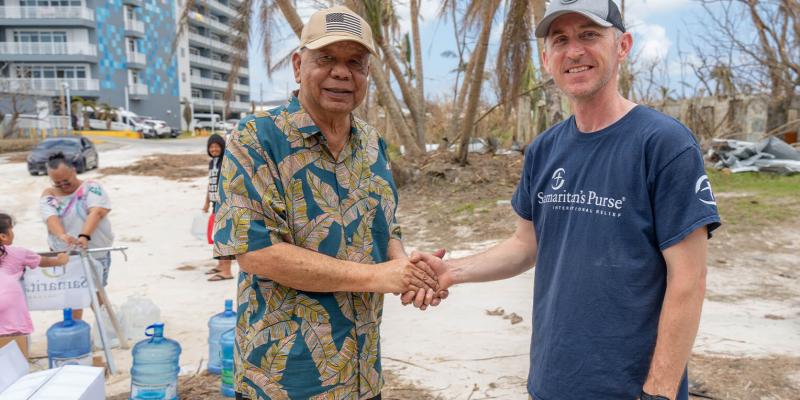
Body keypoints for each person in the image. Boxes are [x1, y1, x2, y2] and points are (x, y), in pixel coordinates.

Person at [407, 1, 722, 399]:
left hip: (630, 388)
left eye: (589, 35)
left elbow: (689, 279)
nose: (574, 51)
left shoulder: (664, 144)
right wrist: (450, 270)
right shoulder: (544, 149)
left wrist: (658, 391)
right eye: (561, 39)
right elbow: (526, 243)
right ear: (546, 58)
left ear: (623, 45)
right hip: (553, 379)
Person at [212, 6, 441, 399]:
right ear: (299, 65)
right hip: (285, 381)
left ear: (366, 74)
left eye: (355, 62)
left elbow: (386, 228)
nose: (341, 72)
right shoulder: (257, 139)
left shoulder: (371, 144)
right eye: (326, 59)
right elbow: (256, 252)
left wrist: (408, 268)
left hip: (362, 373)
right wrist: (381, 277)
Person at [40, 152, 114, 320]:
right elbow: (51, 218)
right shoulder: (49, 194)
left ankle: (107, 328)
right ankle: (74, 327)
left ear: (73, 170)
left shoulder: (91, 187)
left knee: (97, 291)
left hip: (94, 251)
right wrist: (62, 236)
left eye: (66, 180)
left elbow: (96, 212)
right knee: (71, 293)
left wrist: (84, 236)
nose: (63, 185)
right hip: (65, 255)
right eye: (57, 182)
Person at [0, 213, 69, 355]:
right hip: (10, 309)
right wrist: (61, 259)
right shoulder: (17, 253)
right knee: (15, 360)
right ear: (3, 236)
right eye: (11, 229)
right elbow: (47, 261)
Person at [202, 134, 233, 281]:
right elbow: (211, 183)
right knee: (216, 235)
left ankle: (226, 270)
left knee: (223, 236)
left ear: (222, 147)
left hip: (224, 203)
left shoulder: (225, 162)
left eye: (217, 146)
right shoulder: (212, 163)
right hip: (215, 203)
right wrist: (207, 202)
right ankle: (220, 265)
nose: (214, 149)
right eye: (211, 146)